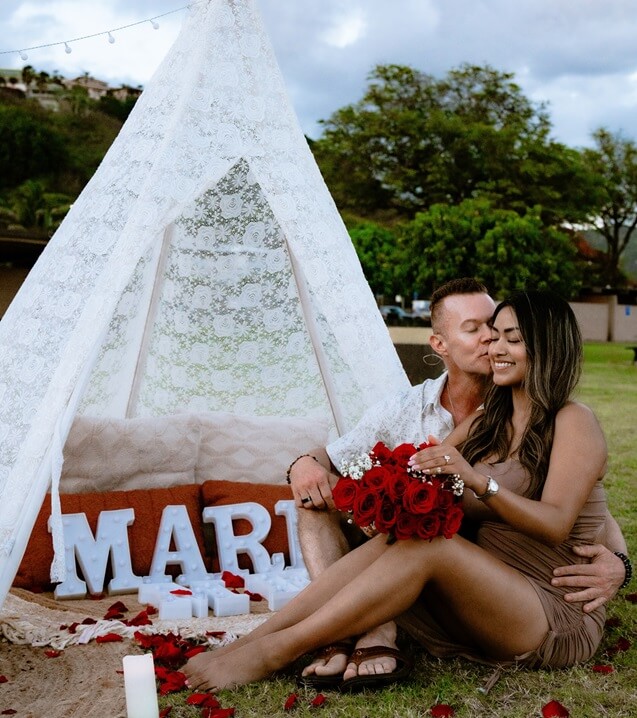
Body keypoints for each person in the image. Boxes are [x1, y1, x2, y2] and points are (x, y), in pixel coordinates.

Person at [183, 289, 626, 692]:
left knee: (431, 545)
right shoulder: (488, 419)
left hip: (551, 611)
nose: (496, 348)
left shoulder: (573, 420)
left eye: (511, 338)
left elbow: (558, 523)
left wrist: (476, 480)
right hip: (484, 596)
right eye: (492, 336)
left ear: (546, 346)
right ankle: (255, 641)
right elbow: (414, 475)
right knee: (406, 532)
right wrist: (382, 489)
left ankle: (273, 652)